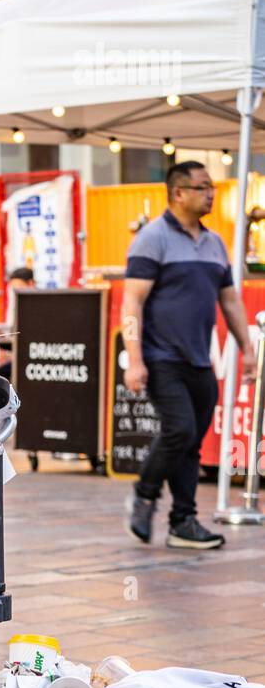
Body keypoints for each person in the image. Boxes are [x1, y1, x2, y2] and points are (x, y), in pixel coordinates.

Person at [122, 160, 256, 550]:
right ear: (178, 192)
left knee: (191, 443)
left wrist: (247, 349)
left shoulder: (215, 243)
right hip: (162, 357)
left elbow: (230, 302)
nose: (211, 193)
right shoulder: (153, 238)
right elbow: (132, 302)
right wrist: (134, 358)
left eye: (211, 187)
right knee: (179, 430)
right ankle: (144, 494)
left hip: (201, 360)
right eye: (202, 187)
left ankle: (184, 522)